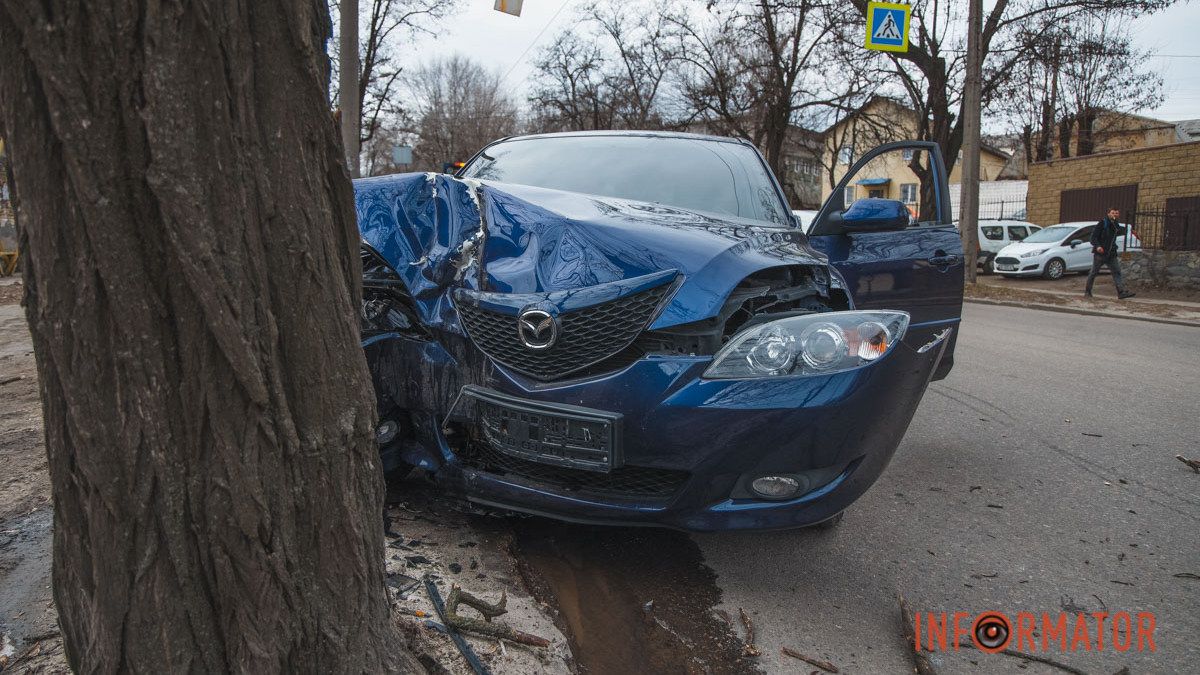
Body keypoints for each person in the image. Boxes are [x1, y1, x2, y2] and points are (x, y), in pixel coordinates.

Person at [1085, 207, 1135, 299]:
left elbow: (1120, 232)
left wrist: (1132, 232)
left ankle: (1121, 292)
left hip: (1111, 254)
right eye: (1113, 213)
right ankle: (1088, 292)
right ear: (1108, 214)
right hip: (1100, 254)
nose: (1115, 215)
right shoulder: (1102, 223)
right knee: (1093, 273)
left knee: (1117, 272)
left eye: (1116, 213)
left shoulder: (1115, 224)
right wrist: (1098, 246)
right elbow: (1093, 237)